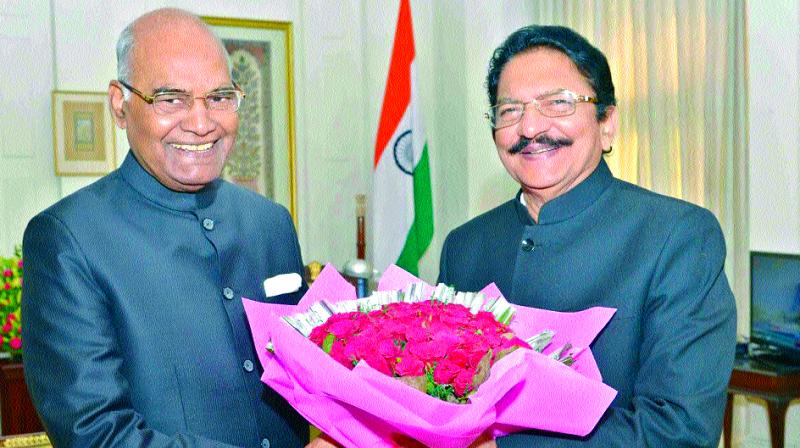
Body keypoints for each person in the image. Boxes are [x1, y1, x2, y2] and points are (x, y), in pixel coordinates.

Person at [22, 8, 310, 447]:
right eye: (170, 99)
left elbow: (313, 378)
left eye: (219, 97)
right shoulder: (68, 241)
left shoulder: (270, 223)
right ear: (120, 106)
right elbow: (97, 436)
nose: (201, 123)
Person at [438, 25, 737, 447]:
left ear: (607, 122)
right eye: (509, 110)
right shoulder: (465, 246)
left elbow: (677, 431)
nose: (530, 127)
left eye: (557, 103)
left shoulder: (676, 237)